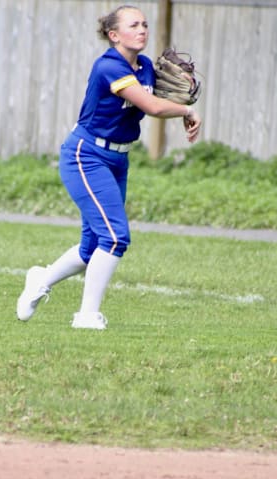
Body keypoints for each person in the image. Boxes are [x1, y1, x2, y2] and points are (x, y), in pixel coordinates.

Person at [16, 5, 201, 330]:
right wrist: (186, 111)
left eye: (144, 24)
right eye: (133, 25)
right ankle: (86, 315)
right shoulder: (108, 66)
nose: (142, 29)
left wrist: (179, 104)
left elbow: (158, 98)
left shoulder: (145, 67)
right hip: (86, 156)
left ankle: (41, 279)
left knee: (92, 247)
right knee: (115, 237)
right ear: (114, 35)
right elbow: (152, 106)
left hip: (118, 159)